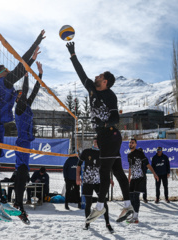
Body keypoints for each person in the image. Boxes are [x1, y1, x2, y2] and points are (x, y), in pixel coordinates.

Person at [0, 30, 45, 222]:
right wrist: (35, 44)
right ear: (1, 73)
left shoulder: (8, 87)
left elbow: (22, 75)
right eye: (6, 70)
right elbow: (20, 68)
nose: (9, 72)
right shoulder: (3, 82)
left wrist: (30, 65)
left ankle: (1, 201)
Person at [66, 42, 133, 223]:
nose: (96, 76)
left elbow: (114, 119)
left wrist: (101, 123)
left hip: (110, 135)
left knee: (104, 172)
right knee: (117, 171)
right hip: (105, 137)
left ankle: (100, 207)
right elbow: (81, 72)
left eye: (100, 76)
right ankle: (128, 206)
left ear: (105, 82)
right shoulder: (91, 88)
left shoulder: (110, 95)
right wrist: (73, 54)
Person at [13, 62, 42, 224]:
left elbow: (35, 91)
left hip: (26, 144)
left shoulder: (26, 105)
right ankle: (19, 205)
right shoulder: (18, 108)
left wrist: (40, 74)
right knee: (22, 173)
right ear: (17, 98)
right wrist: (25, 74)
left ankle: (18, 204)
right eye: (19, 94)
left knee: (22, 175)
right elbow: (25, 92)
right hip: (22, 143)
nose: (21, 95)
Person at [77, 137, 114, 233]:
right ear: (93, 142)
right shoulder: (86, 151)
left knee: (104, 203)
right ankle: (87, 223)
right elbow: (78, 165)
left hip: (98, 182)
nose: (96, 142)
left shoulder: (103, 153)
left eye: (98, 141)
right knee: (88, 204)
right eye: (95, 140)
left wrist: (109, 178)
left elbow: (106, 168)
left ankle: (108, 224)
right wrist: (78, 177)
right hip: (88, 182)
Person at [127, 139, 159, 223]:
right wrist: (129, 177)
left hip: (140, 178)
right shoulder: (129, 155)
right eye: (130, 143)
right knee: (131, 197)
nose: (131, 144)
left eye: (132, 143)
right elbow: (130, 167)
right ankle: (133, 214)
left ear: (136, 144)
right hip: (133, 178)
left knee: (136, 197)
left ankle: (136, 217)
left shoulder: (140, 153)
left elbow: (147, 164)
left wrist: (154, 174)